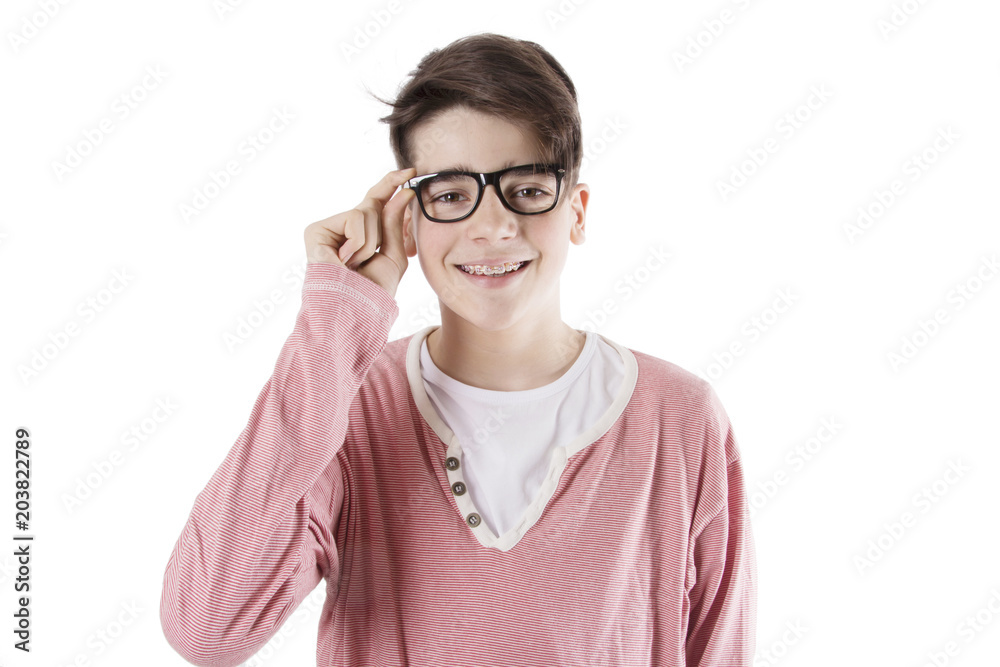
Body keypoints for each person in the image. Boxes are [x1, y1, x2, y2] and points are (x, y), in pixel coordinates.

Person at [159, 32, 757, 666]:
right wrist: (334, 325)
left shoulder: (681, 420)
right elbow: (206, 629)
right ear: (408, 220)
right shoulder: (348, 405)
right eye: (450, 195)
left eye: (527, 189)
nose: (493, 225)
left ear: (577, 211)